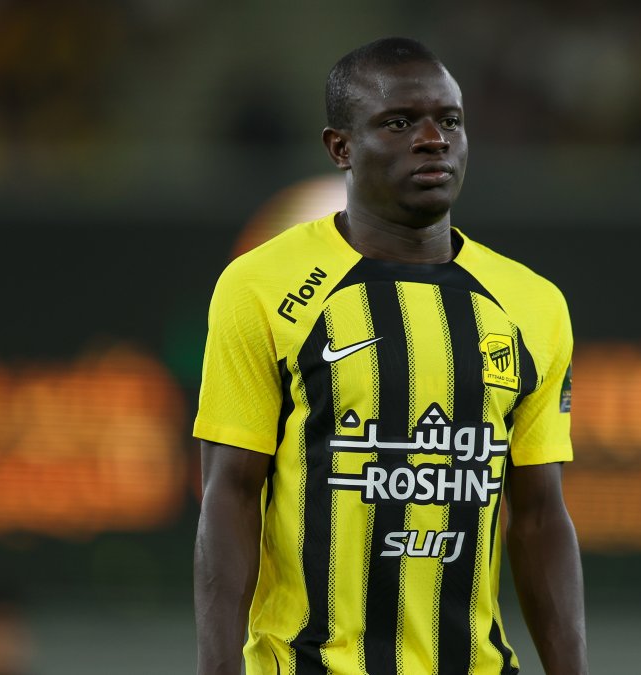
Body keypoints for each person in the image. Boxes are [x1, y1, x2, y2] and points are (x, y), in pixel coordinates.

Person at [193, 38, 588, 675]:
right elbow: (229, 496)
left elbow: (541, 516)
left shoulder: (532, 303)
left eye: (450, 120)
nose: (434, 138)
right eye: (400, 122)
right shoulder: (261, 286)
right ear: (340, 148)